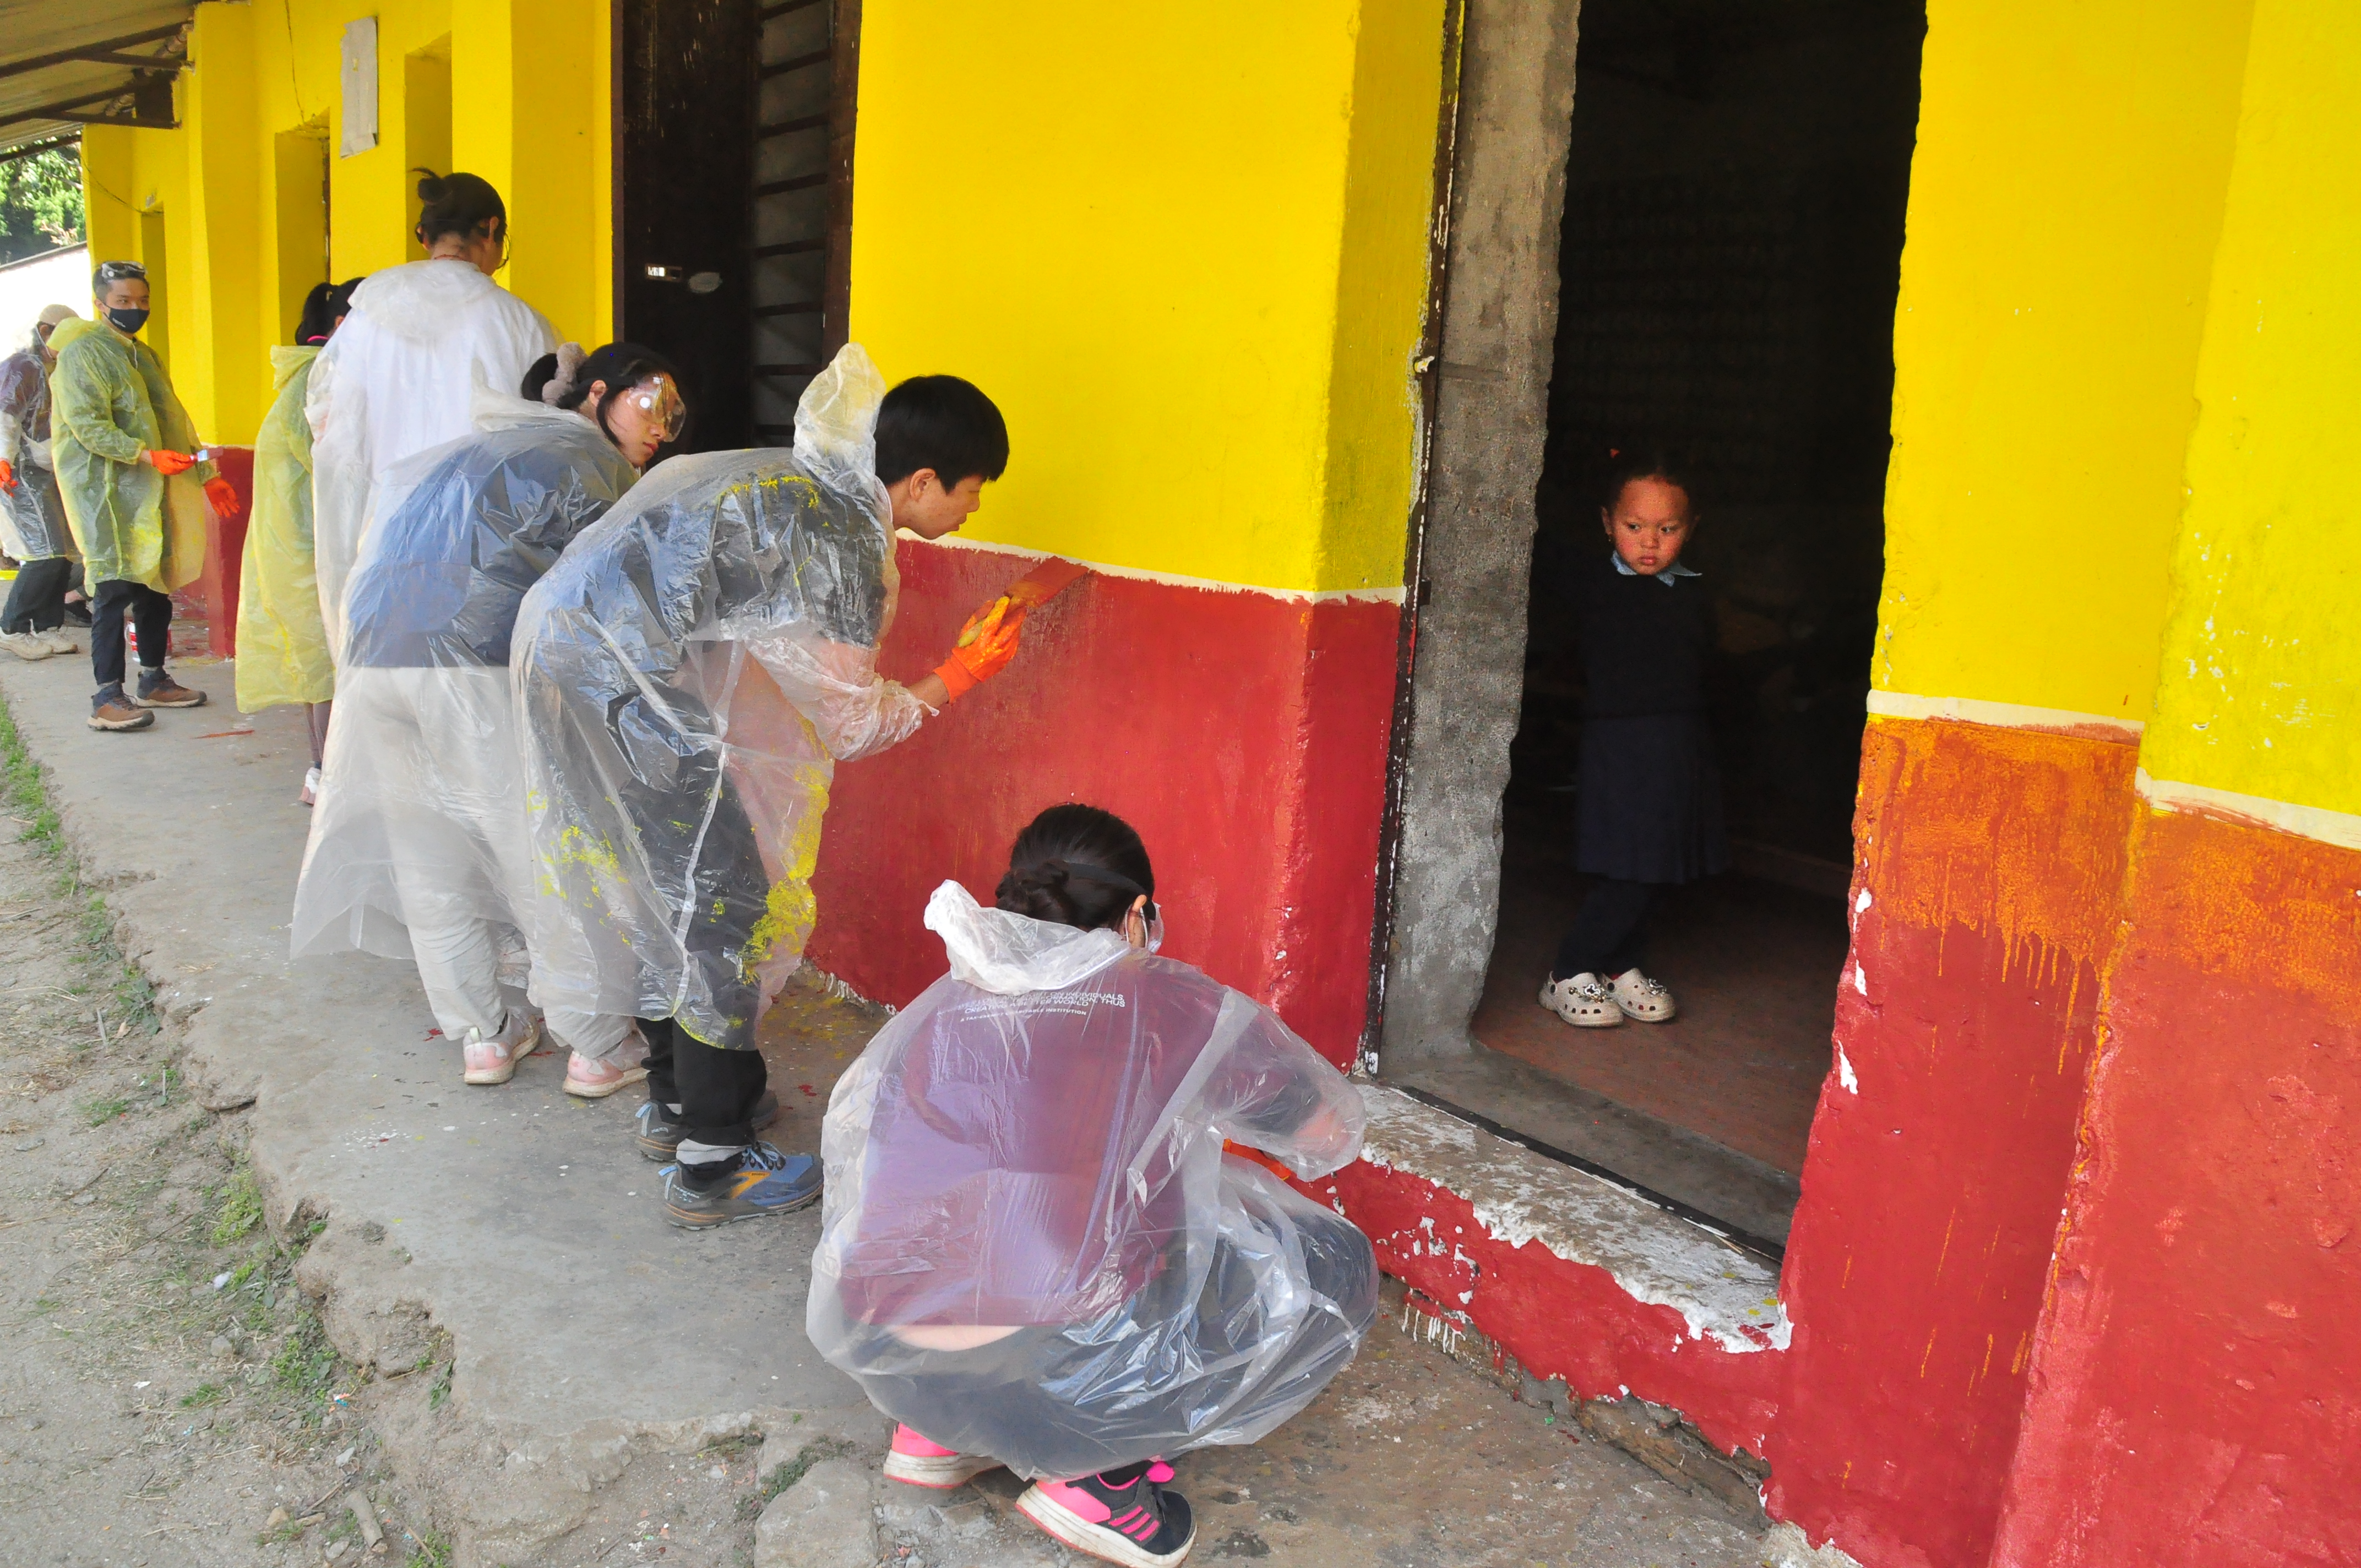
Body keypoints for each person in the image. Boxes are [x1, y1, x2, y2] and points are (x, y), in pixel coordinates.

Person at [514, 345, 1025, 1228]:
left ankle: (682, 1104)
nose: (977, 508)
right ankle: (714, 1163)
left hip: (567, 658)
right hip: (618, 684)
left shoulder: (802, 491)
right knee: (721, 904)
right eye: (974, 488)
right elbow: (852, 724)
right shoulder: (844, 541)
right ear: (924, 480)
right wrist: (963, 674)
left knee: (662, 888)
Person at [809, 805, 1377, 1567]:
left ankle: (938, 1428)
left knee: (1021, 1216)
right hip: (1056, 1329)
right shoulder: (1175, 1002)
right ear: (1137, 911)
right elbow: (1324, 1135)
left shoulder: (944, 1001)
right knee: (1327, 1257)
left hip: (894, 1328)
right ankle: (1097, 1479)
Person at [290, 342, 685, 1094]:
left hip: (375, 667)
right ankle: (599, 1047)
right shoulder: (591, 466)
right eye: (653, 403)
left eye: (674, 417)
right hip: (471, 673)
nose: (663, 427)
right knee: (543, 859)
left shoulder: (476, 448)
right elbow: (613, 606)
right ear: (599, 393)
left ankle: (486, 1038)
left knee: (430, 862)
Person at [307, 171, 556, 662]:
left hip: (381, 537)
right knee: (471, 699)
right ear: (491, 230)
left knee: (390, 689)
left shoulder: (367, 316)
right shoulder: (521, 322)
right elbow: (547, 445)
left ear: (423, 237)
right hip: (482, 549)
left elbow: (329, 424)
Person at [1537, 448, 1727, 1030]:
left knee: (1661, 860)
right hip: (1618, 746)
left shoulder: (1694, 593)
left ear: (1690, 529)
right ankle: (1568, 970)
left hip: (1678, 744)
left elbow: (1707, 669)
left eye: (1667, 529)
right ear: (1606, 523)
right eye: (1634, 526)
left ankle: (1620, 965)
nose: (1650, 542)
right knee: (1628, 863)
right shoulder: (1591, 583)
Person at [47, 260, 237, 732]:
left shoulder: (144, 355)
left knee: (157, 582)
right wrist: (143, 456)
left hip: (154, 488)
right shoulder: (82, 354)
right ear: (100, 304)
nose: (135, 310)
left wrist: (207, 472)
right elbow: (87, 425)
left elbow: (175, 420)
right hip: (106, 493)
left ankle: (153, 679)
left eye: (143, 301)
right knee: (113, 589)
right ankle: (107, 696)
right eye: (124, 302)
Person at [237, 279, 361, 803]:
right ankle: (325, 774)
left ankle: (326, 772)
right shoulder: (320, 378)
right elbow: (336, 468)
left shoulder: (315, 374)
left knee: (325, 661)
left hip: (306, 546)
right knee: (327, 663)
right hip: (311, 548)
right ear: (341, 327)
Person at [0, 304, 80, 660]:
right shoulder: (24, 366)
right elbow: (6, 416)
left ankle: (48, 626)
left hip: (46, 469)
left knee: (62, 552)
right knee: (45, 552)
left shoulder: (52, 367)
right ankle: (12, 629)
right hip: (19, 470)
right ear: (45, 331)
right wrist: (3, 457)